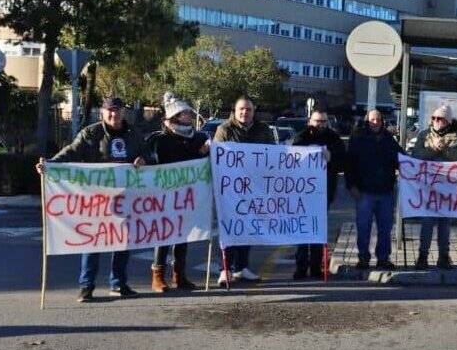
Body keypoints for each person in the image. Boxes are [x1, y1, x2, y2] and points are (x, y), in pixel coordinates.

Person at [35, 97, 149, 302]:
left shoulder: (134, 134)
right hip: (97, 199)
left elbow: (148, 155)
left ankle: (119, 284)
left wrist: (144, 160)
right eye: (110, 111)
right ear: (103, 113)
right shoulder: (91, 133)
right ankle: (86, 286)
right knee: (93, 242)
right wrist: (51, 164)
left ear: (123, 112)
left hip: (126, 196)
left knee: (123, 241)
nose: (114, 114)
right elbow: (71, 151)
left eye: (118, 110)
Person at [147, 93, 210, 292]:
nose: (189, 116)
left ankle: (179, 275)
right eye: (184, 114)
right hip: (165, 196)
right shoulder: (161, 139)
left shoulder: (198, 137)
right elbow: (169, 163)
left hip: (189, 196)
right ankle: (158, 275)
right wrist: (198, 153)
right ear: (175, 117)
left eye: (189, 113)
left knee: (183, 235)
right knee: (164, 235)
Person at [214, 95, 276, 285]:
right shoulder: (224, 130)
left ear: (254, 111)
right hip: (230, 190)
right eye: (241, 109)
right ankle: (225, 269)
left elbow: (273, 155)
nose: (245, 112)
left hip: (254, 189)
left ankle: (242, 267)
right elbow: (217, 157)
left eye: (248, 109)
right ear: (235, 110)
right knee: (229, 229)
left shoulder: (263, 130)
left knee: (248, 228)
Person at [411, 105, 457, 270]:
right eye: (434, 118)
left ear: (448, 121)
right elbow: (416, 155)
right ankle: (422, 256)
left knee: (444, 223)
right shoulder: (424, 135)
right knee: (427, 222)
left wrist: (445, 150)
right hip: (428, 188)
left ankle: (444, 256)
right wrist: (434, 149)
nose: (436, 121)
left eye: (440, 118)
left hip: (448, 189)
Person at [292, 109, 346, 279]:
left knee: (317, 230)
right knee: (302, 231)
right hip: (302, 193)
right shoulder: (301, 137)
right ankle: (301, 267)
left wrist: (331, 157)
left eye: (323, 122)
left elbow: (343, 162)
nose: (320, 125)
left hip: (324, 192)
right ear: (310, 121)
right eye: (317, 121)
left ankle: (315, 267)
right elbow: (291, 159)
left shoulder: (334, 138)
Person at [346, 109, 402, 270]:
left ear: (382, 121)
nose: (375, 122)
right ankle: (363, 258)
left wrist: (413, 167)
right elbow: (349, 165)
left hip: (386, 191)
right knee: (363, 227)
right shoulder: (358, 138)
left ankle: (383, 258)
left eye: (378, 119)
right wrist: (351, 186)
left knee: (385, 228)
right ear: (367, 121)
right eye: (372, 119)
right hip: (364, 192)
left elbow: (401, 158)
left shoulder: (388, 139)